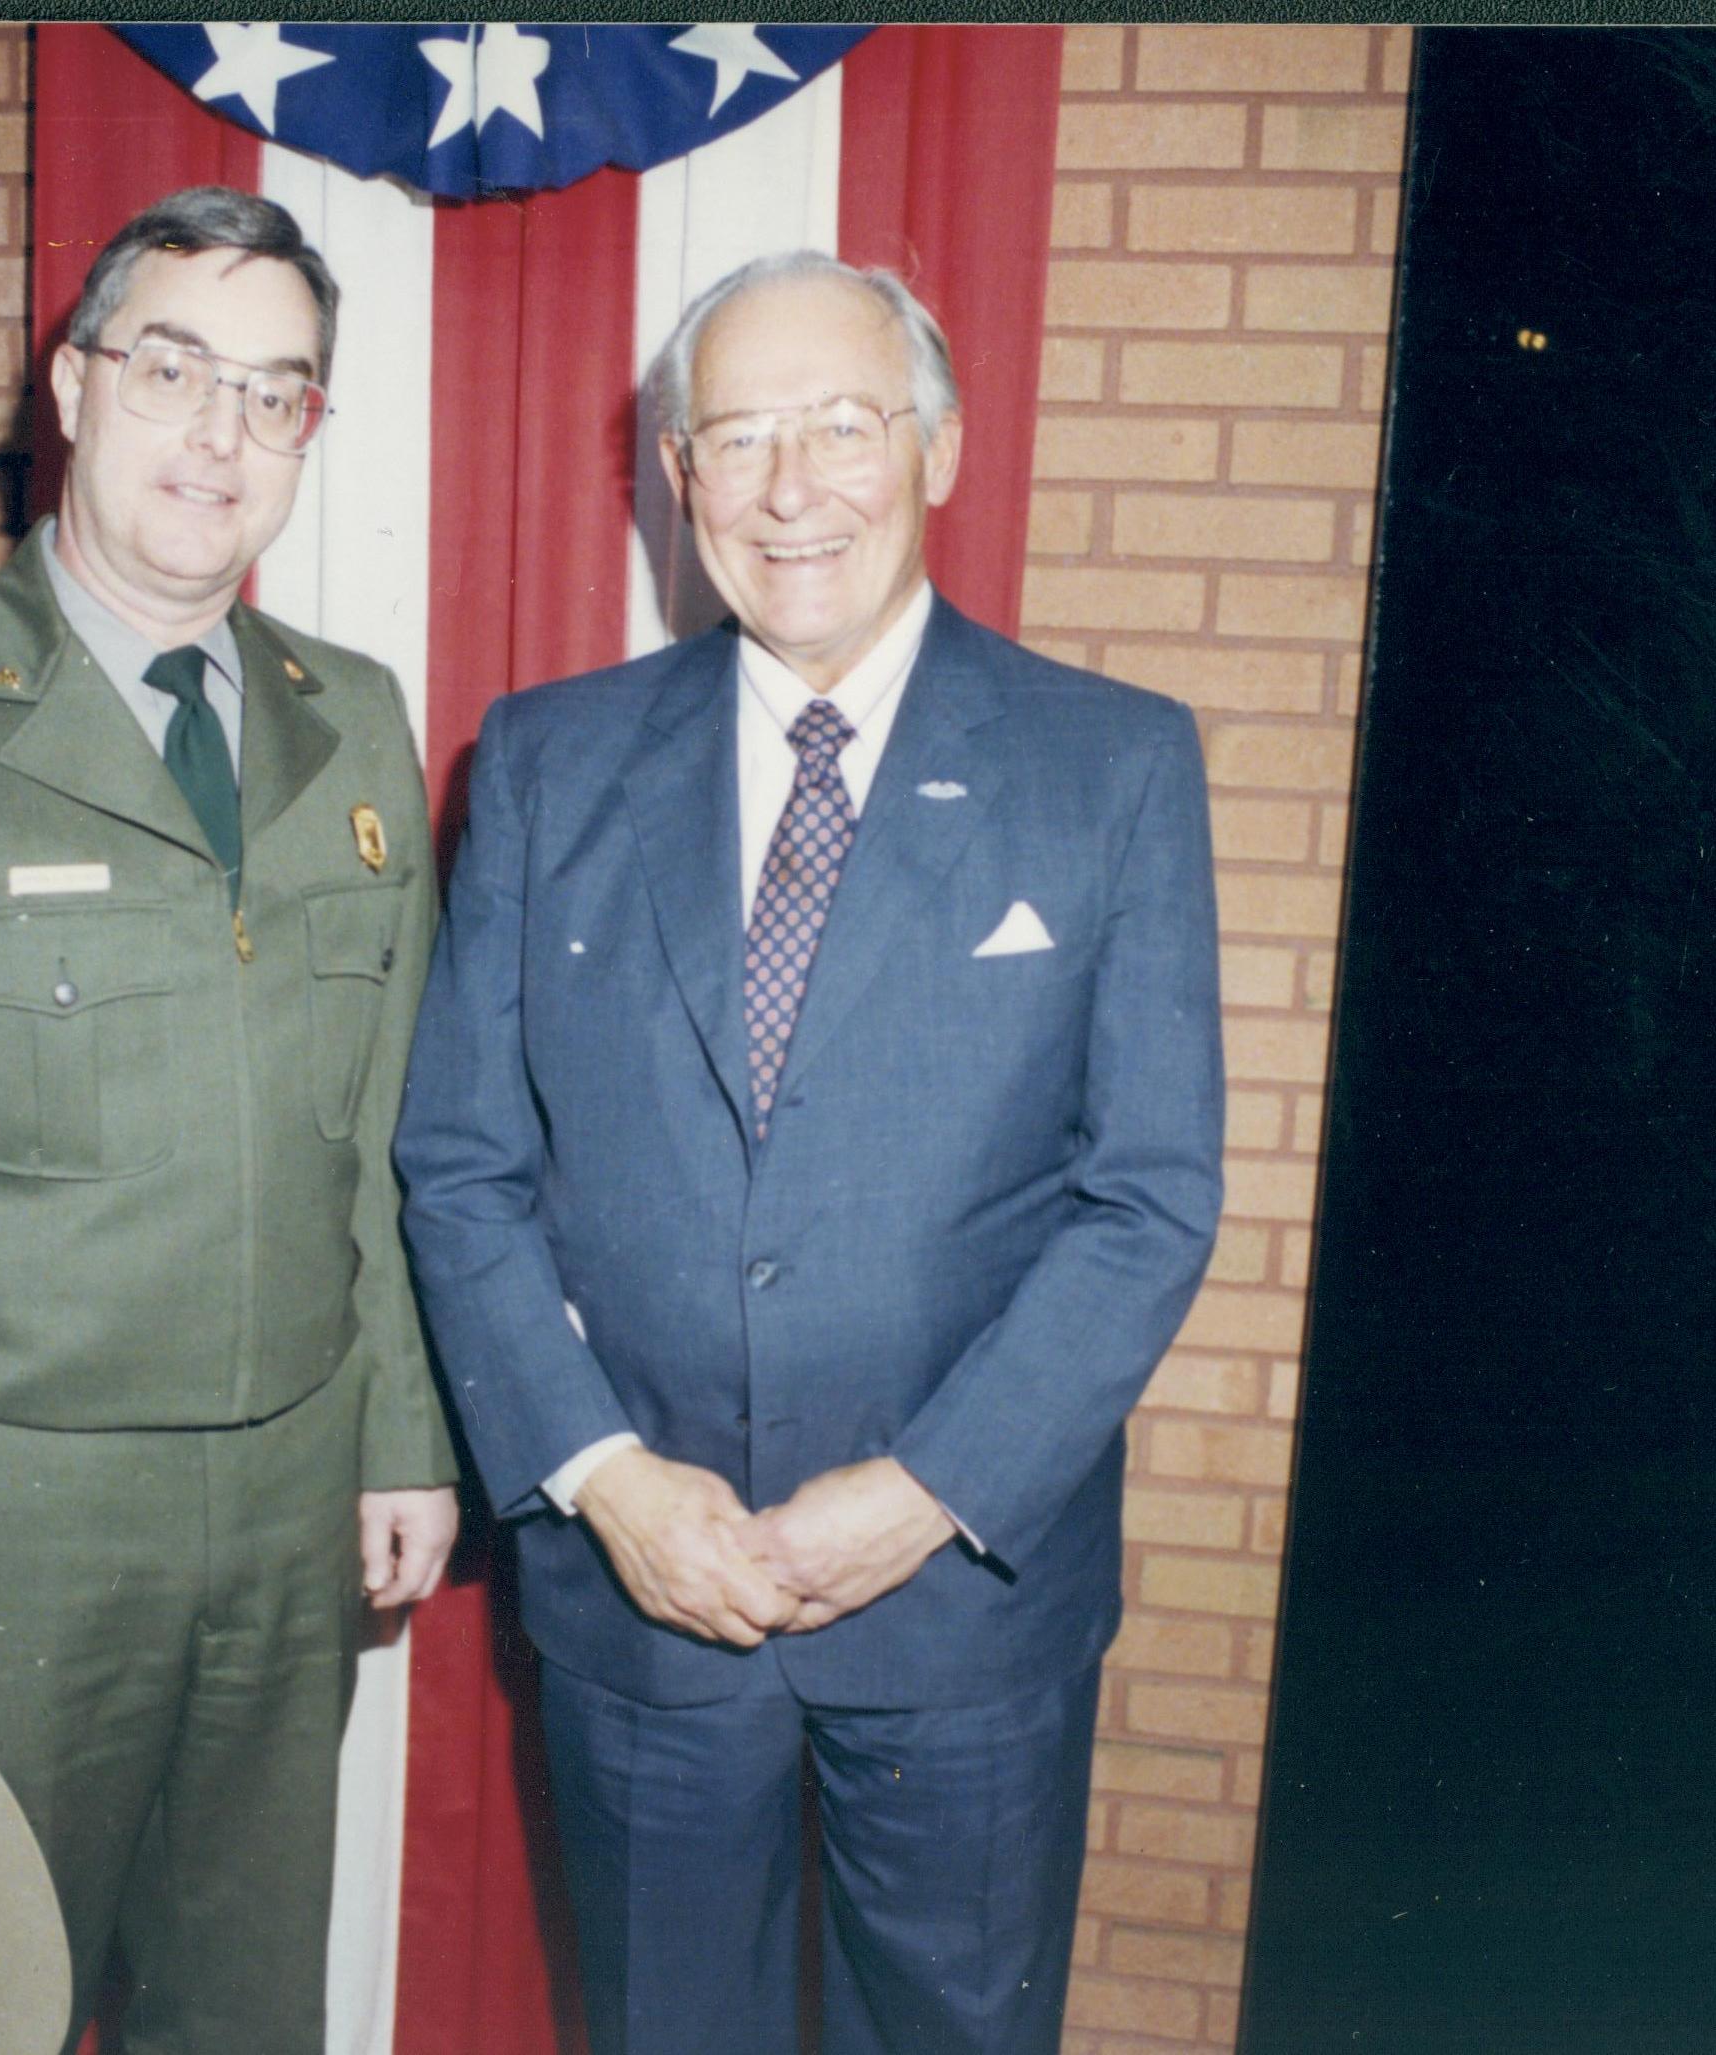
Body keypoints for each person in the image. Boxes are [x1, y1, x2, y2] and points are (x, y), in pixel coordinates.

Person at [394, 251, 1224, 2054]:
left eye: (841, 427)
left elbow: (1146, 1195)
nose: (790, 488)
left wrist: (924, 1488)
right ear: (676, 480)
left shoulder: (1115, 768)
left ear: (936, 446)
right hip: (646, 1594)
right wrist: (607, 1481)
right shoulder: (544, 760)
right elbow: (460, 1165)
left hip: (961, 1602)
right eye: (738, 437)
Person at [0, 185, 459, 2055]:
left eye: (275, 393)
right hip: (2, 1534)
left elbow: (378, 1136)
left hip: (289, 1511)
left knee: (242, 1995)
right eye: (173, 368)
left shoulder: (353, 723)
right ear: (71, 386)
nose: (219, 432)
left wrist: (404, 1435)